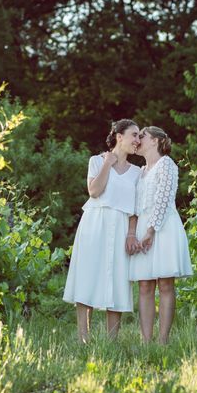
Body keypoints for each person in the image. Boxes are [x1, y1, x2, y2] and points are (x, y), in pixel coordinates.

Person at [63, 119, 141, 343]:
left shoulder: (137, 172)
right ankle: (83, 338)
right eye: (134, 135)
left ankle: (111, 342)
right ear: (119, 137)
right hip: (95, 223)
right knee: (88, 275)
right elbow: (94, 191)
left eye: (139, 136)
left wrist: (131, 233)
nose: (137, 140)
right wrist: (108, 163)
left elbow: (135, 209)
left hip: (121, 227)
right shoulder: (96, 161)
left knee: (117, 279)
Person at [128, 126, 192, 344]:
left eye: (142, 136)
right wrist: (136, 233)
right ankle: (146, 340)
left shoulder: (167, 165)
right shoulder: (141, 171)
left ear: (155, 140)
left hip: (162, 228)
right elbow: (136, 205)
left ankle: (163, 339)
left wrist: (151, 230)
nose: (137, 140)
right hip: (143, 227)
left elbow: (164, 199)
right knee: (145, 285)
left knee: (165, 284)